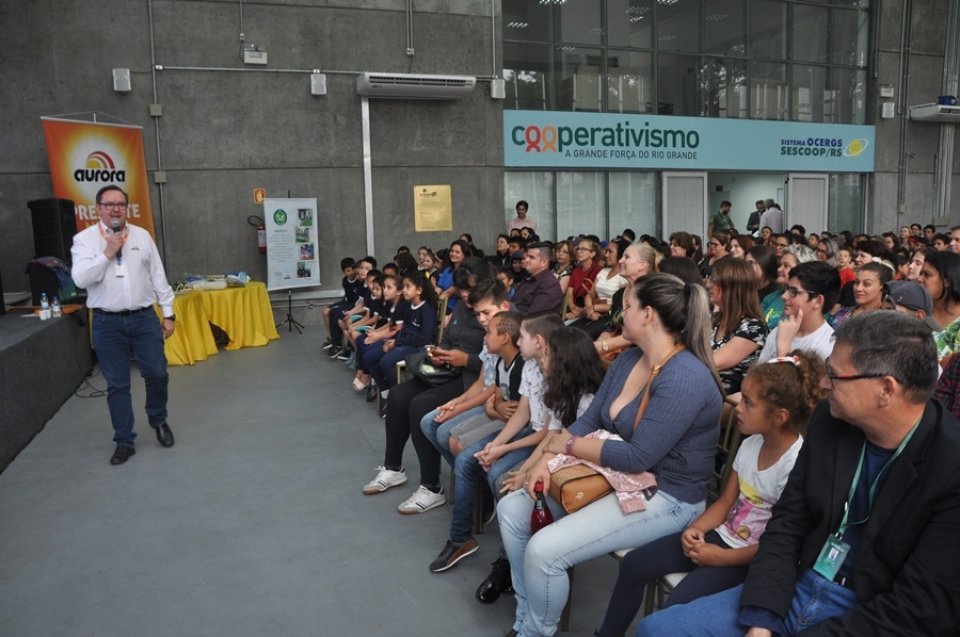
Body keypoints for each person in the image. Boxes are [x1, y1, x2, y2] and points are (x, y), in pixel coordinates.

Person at [638, 312, 960, 637]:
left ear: (885, 389)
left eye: (833, 375)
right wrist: (762, 620)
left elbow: (920, 606)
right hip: (795, 584)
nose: (821, 384)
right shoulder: (830, 421)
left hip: (869, 612)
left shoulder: (950, 466)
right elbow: (787, 524)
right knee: (657, 630)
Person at [496, 273, 724, 637]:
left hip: (667, 496)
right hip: (619, 479)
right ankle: (526, 615)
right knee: (511, 509)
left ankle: (536, 631)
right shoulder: (631, 358)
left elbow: (637, 457)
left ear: (648, 314)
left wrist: (561, 446)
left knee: (544, 551)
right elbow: (588, 419)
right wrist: (541, 462)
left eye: (628, 307)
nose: (620, 315)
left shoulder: (684, 377)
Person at [599, 352, 825, 637]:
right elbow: (726, 501)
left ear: (780, 416)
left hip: (747, 560)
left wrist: (719, 558)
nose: (737, 407)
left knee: (677, 606)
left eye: (748, 403)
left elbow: (778, 545)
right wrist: (696, 529)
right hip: (720, 537)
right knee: (634, 564)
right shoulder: (751, 444)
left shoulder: (795, 465)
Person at [428, 313, 567, 573]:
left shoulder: (556, 374)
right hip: (527, 431)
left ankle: (508, 560)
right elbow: (523, 414)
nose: (518, 341)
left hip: (541, 440)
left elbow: (549, 433)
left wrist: (504, 448)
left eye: (522, 337)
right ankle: (461, 539)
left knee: (498, 477)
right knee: (468, 459)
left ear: (539, 342)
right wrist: (497, 443)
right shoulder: (529, 366)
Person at [361, 258, 488, 510]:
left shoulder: (494, 313)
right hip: (448, 369)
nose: (464, 294)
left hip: (470, 378)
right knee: (398, 395)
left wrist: (466, 359)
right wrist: (443, 353)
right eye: (461, 289)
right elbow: (450, 338)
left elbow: (493, 362)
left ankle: (431, 486)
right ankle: (393, 467)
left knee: (419, 406)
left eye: (470, 289)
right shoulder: (463, 307)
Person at [70, 185, 177, 465]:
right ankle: (124, 441)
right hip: (107, 322)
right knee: (117, 385)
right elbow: (80, 279)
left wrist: (168, 313)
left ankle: (158, 420)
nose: (115, 208)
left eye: (120, 204)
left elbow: (158, 276)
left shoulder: (142, 236)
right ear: (98, 209)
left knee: (157, 374)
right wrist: (108, 252)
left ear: (127, 208)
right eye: (109, 204)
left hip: (144, 318)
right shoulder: (84, 240)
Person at [706, 259, 769, 395]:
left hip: (728, 403)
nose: (708, 285)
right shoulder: (715, 319)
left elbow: (714, 362)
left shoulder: (754, 327)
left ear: (731, 287)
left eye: (714, 280)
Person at [758, 261, 839, 363]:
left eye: (793, 292)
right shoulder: (780, 331)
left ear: (818, 301)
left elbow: (791, 379)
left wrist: (784, 349)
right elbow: (755, 377)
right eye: (787, 289)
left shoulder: (830, 345)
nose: (784, 296)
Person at [570, 238, 630, 340]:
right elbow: (590, 294)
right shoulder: (603, 272)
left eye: (610, 252)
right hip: (592, 313)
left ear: (621, 255)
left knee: (582, 337)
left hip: (610, 316)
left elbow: (620, 306)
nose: (606, 255)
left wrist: (595, 308)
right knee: (569, 331)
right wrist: (590, 309)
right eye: (606, 251)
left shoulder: (625, 277)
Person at [919, 251, 960, 363]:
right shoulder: (917, 312)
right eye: (921, 274)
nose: (920, 279)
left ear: (947, 281)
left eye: (927, 275)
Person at [514, 242, 564, 315]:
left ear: (543, 262)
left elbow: (534, 316)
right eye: (526, 256)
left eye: (531, 257)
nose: (526, 260)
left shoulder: (550, 285)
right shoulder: (528, 279)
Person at [564, 239, 603, 320]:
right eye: (578, 248)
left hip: (591, 313)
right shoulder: (576, 271)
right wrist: (572, 306)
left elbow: (598, 296)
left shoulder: (599, 271)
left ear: (592, 254)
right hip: (575, 310)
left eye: (583, 249)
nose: (579, 251)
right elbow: (569, 292)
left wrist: (583, 312)